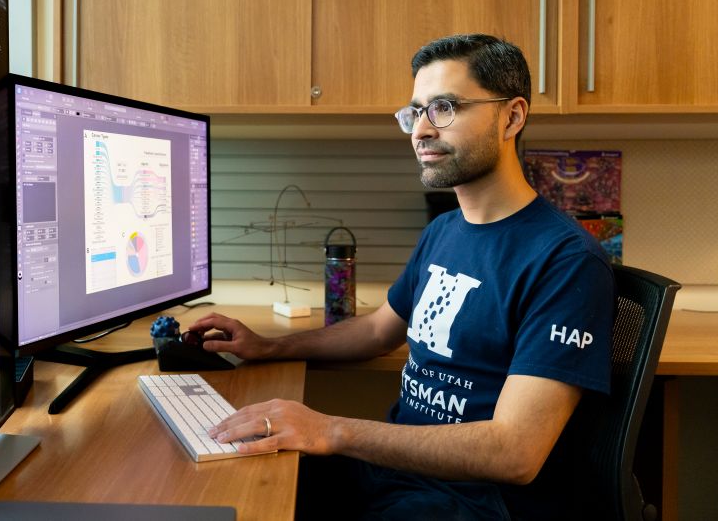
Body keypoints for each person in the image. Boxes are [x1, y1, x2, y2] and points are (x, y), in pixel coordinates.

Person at [189, 34, 615, 521]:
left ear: (511, 117)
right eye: (415, 112)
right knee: (232, 492)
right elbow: (376, 331)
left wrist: (331, 430)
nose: (421, 130)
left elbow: (514, 452)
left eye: (445, 107)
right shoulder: (444, 232)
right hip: (393, 473)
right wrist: (268, 347)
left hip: (472, 501)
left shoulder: (565, 260)